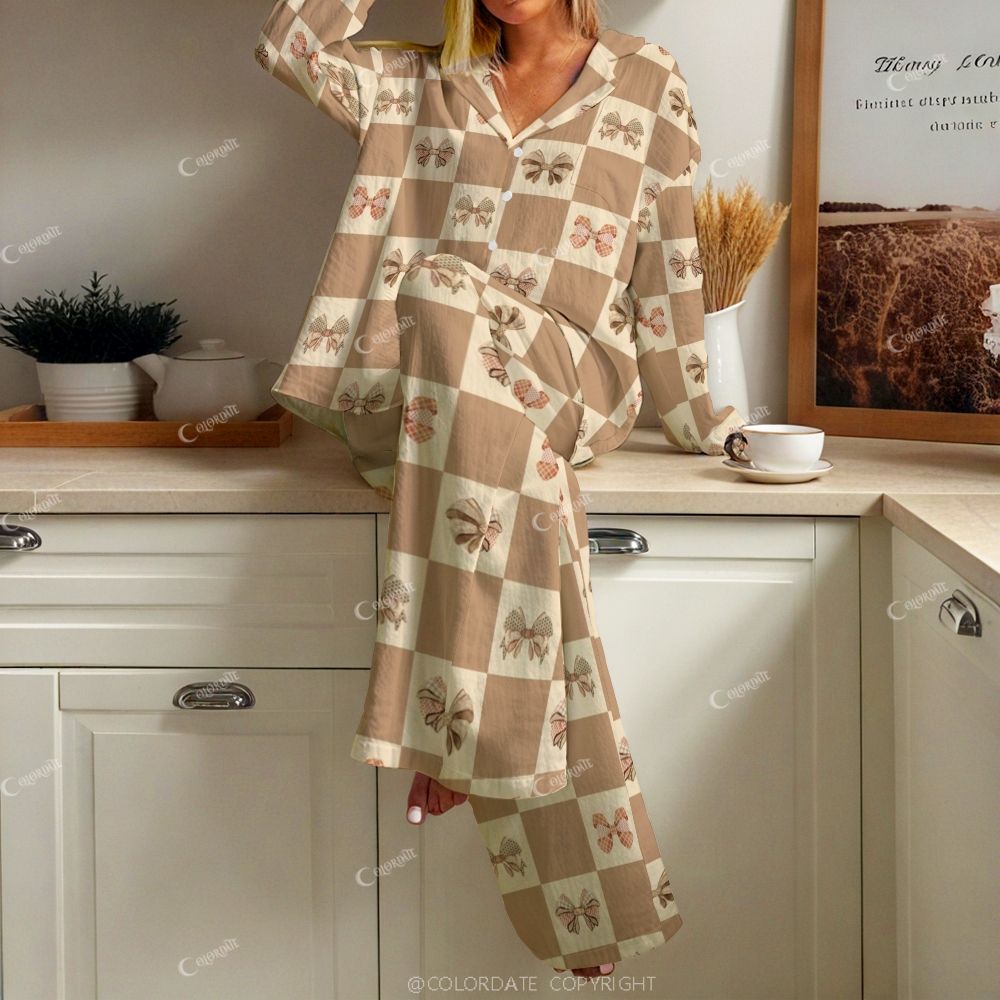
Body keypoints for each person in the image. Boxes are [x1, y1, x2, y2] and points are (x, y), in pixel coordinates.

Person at [255, 0, 747, 980]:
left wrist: (702, 419)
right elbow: (289, 42)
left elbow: (670, 261)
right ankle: (499, 772)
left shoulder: (646, 79)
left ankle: (453, 734)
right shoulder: (420, 80)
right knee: (444, 311)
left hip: (567, 375)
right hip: (425, 391)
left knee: (441, 298)